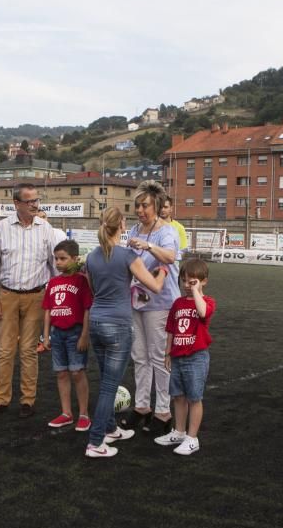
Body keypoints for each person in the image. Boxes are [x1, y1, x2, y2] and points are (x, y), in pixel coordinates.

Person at [84, 207, 167, 458]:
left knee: (106, 381)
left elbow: (93, 289)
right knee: (110, 385)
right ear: (121, 226)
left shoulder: (91, 257)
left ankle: (110, 429)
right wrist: (163, 270)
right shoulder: (127, 255)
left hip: (97, 323)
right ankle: (96, 442)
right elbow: (154, 287)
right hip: (118, 325)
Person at [0, 183, 58, 419]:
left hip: (36, 297)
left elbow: (54, 266)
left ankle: (28, 401)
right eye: (30, 201)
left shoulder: (46, 228)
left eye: (37, 200)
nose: (35, 205)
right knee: (5, 350)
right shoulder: (3, 227)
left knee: (28, 351)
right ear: (16, 203)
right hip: (7, 296)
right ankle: (1, 400)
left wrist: (56, 298)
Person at [121, 180, 181, 437]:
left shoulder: (166, 231)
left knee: (159, 357)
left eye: (145, 205)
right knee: (140, 356)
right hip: (138, 301)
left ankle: (164, 411)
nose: (140, 210)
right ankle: (142, 406)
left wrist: (148, 246)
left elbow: (169, 257)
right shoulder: (135, 228)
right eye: (137, 206)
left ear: (156, 206)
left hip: (161, 303)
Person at [155, 259, 216, 456]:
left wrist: (197, 292)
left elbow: (202, 312)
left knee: (194, 398)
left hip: (196, 357)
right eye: (185, 281)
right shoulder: (178, 303)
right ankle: (179, 431)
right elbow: (171, 330)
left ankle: (192, 438)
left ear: (203, 281)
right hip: (178, 356)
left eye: (193, 281)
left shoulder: (207, 301)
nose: (187, 285)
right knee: (178, 396)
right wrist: (167, 353)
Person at [41, 239, 93, 431]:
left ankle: (84, 414)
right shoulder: (53, 282)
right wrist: (45, 336)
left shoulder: (81, 281)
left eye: (63, 258)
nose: (58, 262)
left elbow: (87, 309)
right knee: (61, 373)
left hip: (75, 332)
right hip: (57, 334)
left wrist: (84, 335)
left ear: (75, 258)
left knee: (77, 372)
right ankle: (66, 413)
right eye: (56, 259)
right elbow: (47, 310)